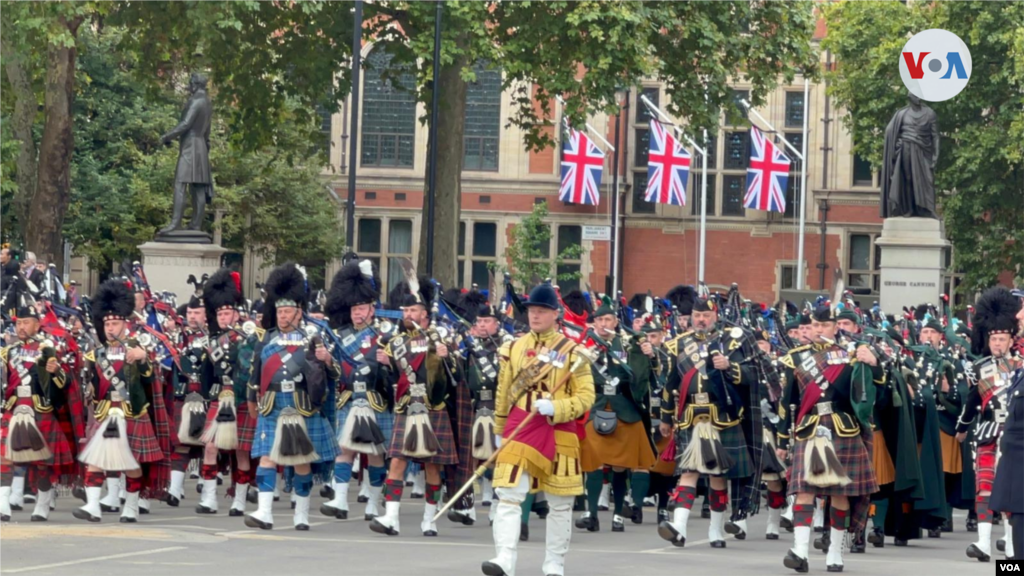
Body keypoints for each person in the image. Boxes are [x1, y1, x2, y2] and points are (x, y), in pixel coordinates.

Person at [481, 282, 595, 576]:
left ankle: (554, 563)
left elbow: (586, 397)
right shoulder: (514, 347)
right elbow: (505, 390)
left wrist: (558, 407)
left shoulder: (573, 352)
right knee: (508, 494)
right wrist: (500, 426)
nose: (535, 315)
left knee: (559, 504)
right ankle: (504, 558)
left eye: (542, 310)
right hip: (521, 426)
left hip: (558, 430)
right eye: (532, 309)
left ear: (555, 314)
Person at [777, 305, 882, 573]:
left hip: (842, 428)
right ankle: (800, 551)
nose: (819, 330)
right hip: (810, 427)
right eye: (815, 326)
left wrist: (874, 362)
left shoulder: (851, 355)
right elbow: (788, 402)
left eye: (825, 326)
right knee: (804, 490)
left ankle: (835, 550)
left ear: (837, 327)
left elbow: (871, 391)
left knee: (840, 494)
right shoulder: (796, 359)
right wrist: (780, 441)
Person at [244, 263, 338, 531]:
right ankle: (264, 511)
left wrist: (327, 359)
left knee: (301, 461)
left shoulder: (314, 337)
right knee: (266, 457)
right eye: (280, 311)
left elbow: (334, 373)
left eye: (287, 311)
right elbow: (256, 371)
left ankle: (302, 515)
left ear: (299, 312)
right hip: (273, 404)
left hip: (302, 405)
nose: (283, 316)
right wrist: (252, 398)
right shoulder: (267, 339)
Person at [657, 296, 756, 549]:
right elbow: (669, 385)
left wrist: (730, 366)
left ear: (715, 317)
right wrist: (666, 417)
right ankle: (679, 526)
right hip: (691, 414)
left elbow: (751, 376)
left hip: (722, 415)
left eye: (706, 316)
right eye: (697, 316)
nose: (701, 320)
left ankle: (716, 529)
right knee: (688, 472)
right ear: (691, 317)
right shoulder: (677, 345)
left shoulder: (730, 343)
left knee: (717, 474)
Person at [370, 275, 459, 538]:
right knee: (396, 461)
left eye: (413, 310)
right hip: (407, 407)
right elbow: (388, 383)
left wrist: (447, 356)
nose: (408, 314)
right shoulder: (395, 342)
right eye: (405, 310)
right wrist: (385, 366)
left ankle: (429, 520)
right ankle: (392, 518)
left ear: (424, 313)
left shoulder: (438, 336)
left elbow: (454, 376)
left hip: (433, 406)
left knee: (433, 466)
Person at [75, 279, 166, 523]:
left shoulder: (139, 348)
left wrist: (143, 358)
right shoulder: (95, 354)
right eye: (107, 324)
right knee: (95, 460)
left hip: (132, 412)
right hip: (106, 413)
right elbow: (92, 386)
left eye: (115, 324)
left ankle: (131, 506)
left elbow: (151, 379)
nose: (111, 329)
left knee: (132, 463)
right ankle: (93, 505)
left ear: (125, 323)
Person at [320, 259, 393, 522]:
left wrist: (388, 361)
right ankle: (340, 500)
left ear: (372, 309)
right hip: (350, 399)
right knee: (343, 450)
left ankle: (373, 502)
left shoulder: (384, 335)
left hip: (375, 400)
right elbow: (335, 373)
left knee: (375, 453)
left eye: (362, 308)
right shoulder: (340, 336)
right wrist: (328, 360)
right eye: (354, 309)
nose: (358, 313)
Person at [577, 296, 656, 533]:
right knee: (593, 463)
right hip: (596, 406)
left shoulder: (629, 345)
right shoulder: (585, 345)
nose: (603, 323)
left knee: (622, 466)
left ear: (615, 321)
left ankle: (619, 514)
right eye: (599, 319)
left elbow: (641, 378)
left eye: (607, 319)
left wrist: (648, 355)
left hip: (624, 409)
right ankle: (591, 512)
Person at [957, 287, 1022, 562]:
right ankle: (983, 542)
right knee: (984, 489)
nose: (997, 343)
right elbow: (972, 403)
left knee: (1010, 495)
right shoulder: (979, 368)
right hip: (987, 433)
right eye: (993, 338)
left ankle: (1010, 548)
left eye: (1002, 338)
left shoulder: (1020, 366)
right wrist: (962, 428)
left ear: (1010, 339)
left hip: (1014, 438)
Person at [0, 288, 75, 522]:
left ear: (37, 324)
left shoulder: (49, 348)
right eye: (18, 323)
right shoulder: (8, 352)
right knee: (3, 457)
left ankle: (42, 504)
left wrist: (57, 372)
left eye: (26, 323)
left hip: (40, 410)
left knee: (42, 464)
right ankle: (3, 504)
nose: (21, 327)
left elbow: (64, 383)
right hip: (14, 407)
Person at [195, 268, 254, 516]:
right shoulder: (211, 341)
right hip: (220, 398)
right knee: (210, 446)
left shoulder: (247, 339)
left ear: (236, 314)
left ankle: (239, 500)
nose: (222, 316)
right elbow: (207, 375)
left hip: (239, 398)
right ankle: (209, 498)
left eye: (227, 312)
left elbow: (248, 371)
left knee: (241, 451)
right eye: (219, 312)